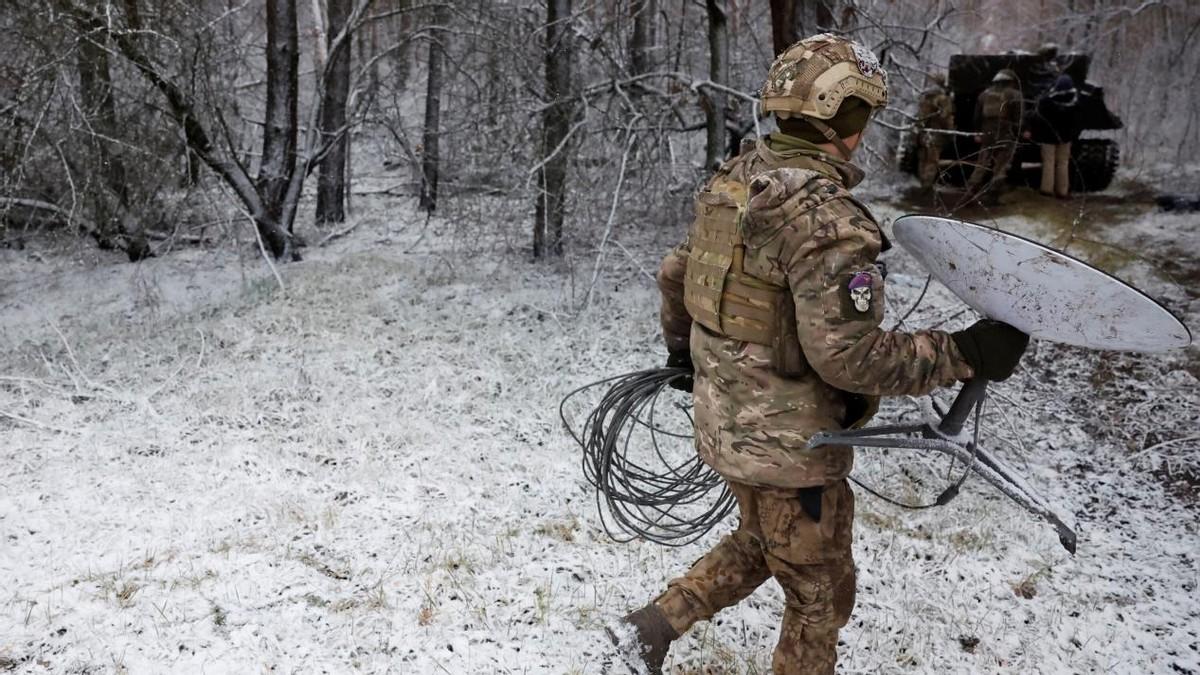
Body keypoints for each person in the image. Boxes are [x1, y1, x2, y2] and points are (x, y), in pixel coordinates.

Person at [610, 34, 1029, 675]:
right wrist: (965, 352)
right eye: (862, 117)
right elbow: (850, 360)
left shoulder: (736, 179)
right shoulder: (826, 219)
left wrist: (683, 356)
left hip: (727, 424)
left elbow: (676, 275)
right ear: (843, 120)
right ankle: (654, 630)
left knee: (763, 539)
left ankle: (651, 628)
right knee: (820, 593)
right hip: (791, 449)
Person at [964, 69, 1024, 204]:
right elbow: (1018, 118)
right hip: (1005, 136)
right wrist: (1017, 134)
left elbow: (976, 117)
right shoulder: (1015, 95)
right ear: (1010, 82)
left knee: (981, 165)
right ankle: (992, 197)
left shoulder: (984, 95)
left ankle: (969, 194)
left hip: (987, 135)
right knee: (1000, 168)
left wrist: (978, 132)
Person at [1026, 74, 1082, 198]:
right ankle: (1062, 191)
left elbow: (1037, 118)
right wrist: (1073, 135)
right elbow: (1077, 122)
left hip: (1048, 138)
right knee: (1063, 163)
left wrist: (1035, 133)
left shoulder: (1046, 101)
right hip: (1066, 138)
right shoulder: (1076, 102)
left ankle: (1047, 190)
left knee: (1049, 163)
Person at [915, 72, 955, 189]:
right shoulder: (942, 98)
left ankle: (922, 183)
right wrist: (950, 132)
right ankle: (926, 186)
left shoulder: (924, 97)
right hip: (936, 134)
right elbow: (945, 117)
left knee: (923, 159)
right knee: (932, 161)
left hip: (922, 134)